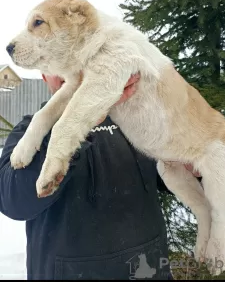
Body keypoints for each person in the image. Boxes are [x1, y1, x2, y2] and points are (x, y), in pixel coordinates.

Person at [0, 73, 199, 280]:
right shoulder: (30, 133)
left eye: (69, 57)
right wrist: (73, 127)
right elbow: (12, 200)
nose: (65, 70)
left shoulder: (135, 121)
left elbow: (171, 175)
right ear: (44, 75)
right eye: (54, 63)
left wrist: (195, 169)